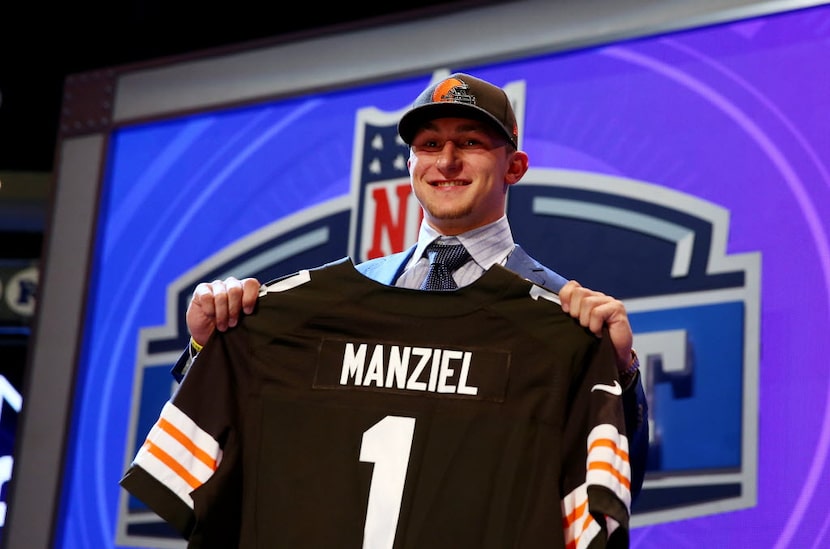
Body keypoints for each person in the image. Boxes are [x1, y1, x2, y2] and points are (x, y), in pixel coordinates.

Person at [176, 72, 648, 498]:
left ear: (515, 167)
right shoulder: (330, 304)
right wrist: (208, 345)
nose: (446, 161)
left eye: (470, 143)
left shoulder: (564, 319)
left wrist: (620, 372)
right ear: (409, 165)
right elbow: (212, 444)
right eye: (428, 145)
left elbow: (612, 485)